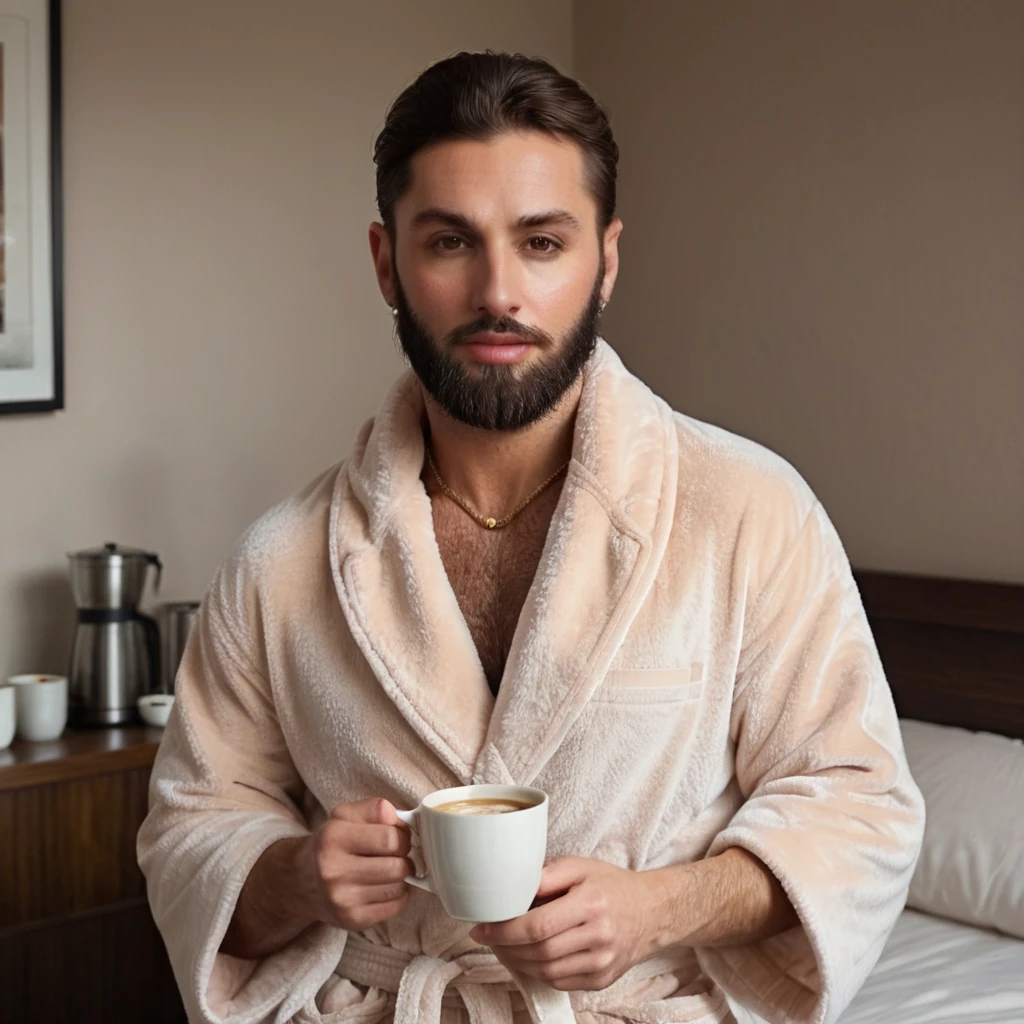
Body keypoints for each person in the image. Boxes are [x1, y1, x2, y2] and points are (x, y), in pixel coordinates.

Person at [138, 50, 924, 1024]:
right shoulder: (278, 562)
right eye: (450, 243)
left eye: (542, 243)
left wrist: (661, 905)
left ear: (607, 258)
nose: (498, 292)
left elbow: (860, 810)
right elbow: (188, 832)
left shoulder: (750, 510)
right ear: (387, 262)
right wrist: (298, 874)